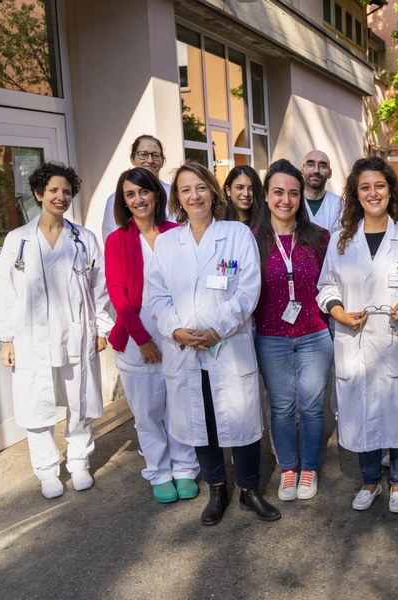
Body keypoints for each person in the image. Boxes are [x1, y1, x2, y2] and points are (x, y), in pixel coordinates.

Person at [146, 161, 280, 526]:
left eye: (200, 188)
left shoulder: (237, 234)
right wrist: (176, 330)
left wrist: (217, 328)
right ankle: (217, 489)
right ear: (177, 198)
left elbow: (249, 289)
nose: (194, 196)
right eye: (186, 190)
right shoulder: (168, 242)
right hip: (185, 350)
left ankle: (250, 491)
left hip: (228, 345)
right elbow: (156, 296)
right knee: (199, 419)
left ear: (212, 191)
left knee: (241, 418)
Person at [0, 162, 113, 499]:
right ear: (39, 194)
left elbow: (98, 288)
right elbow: (5, 293)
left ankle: (79, 462)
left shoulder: (84, 239)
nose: (61, 197)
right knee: (37, 404)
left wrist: (102, 327)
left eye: (67, 191)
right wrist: (5, 339)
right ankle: (46, 470)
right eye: (54, 190)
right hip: (32, 338)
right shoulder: (18, 241)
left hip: (76, 333)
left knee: (79, 402)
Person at [317, 156, 398, 513]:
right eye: (364, 187)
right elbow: (325, 286)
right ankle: (370, 481)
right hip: (355, 341)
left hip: (397, 339)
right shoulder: (341, 240)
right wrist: (338, 312)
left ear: (390, 191)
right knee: (361, 413)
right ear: (355, 193)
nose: (373, 193)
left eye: (379, 186)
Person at [105, 167, 199, 504]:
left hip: (177, 333)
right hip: (136, 338)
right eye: (130, 194)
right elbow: (117, 295)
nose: (138, 199)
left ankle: (185, 467)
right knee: (147, 411)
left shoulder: (177, 233)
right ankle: (159, 472)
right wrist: (142, 339)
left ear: (156, 195)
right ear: (124, 201)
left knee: (181, 402)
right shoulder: (117, 240)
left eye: (143, 192)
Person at [254, 159, 333, 503]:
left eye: (293, 193)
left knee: (313, 407)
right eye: (278, 192)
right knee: (283, 407)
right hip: (271, 337)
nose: (285, 200)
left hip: (314, 334)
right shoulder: (251, 240)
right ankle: (289, 467)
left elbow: (331, 283)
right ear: (267, 196)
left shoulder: (319, 238)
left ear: (301, 198)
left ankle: (310, 468)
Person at [102, 135, 169, 240]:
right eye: (143, 155)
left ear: (162, 161)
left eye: (155, 155)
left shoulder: (175, 193)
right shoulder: (115, 200)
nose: (150, 160)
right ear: (132, 159)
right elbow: (111, 239)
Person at [301, 149, 345, 232]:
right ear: (302, 169)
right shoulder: (294, 201)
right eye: (310, 164)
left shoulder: (339, 204)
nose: (316, 170)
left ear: (330, 173)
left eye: (323, 166)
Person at [223, 165, 263, 234]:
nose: (246, 194)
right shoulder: (219, 222)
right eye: (240, 188)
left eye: (251, 189)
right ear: (228, 190)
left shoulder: (264, 222)